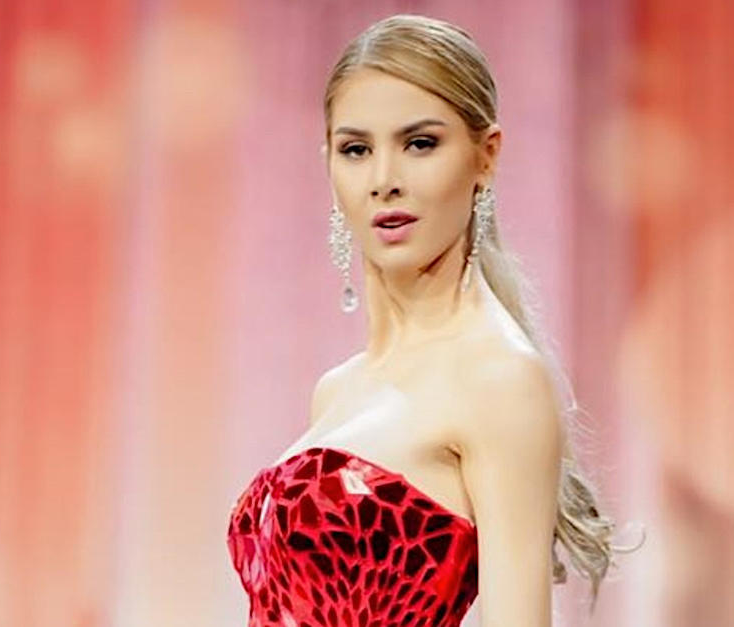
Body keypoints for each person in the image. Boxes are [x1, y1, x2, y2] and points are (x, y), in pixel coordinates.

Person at [227, 13, 641, 626]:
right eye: (357, 150)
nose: (384, 181)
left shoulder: (500, 377)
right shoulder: (338, 389)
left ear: (486, 156)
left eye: (419, 144)